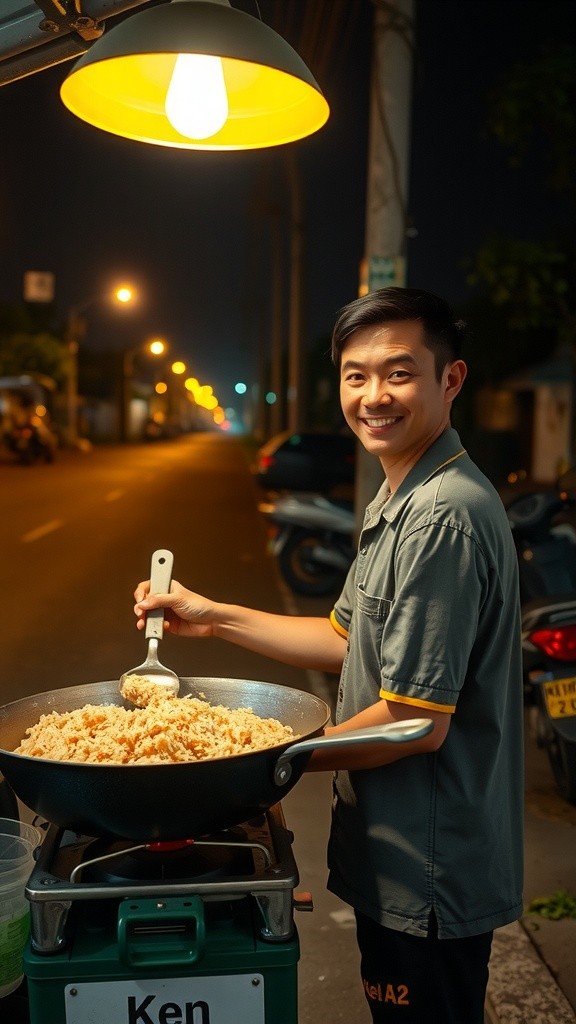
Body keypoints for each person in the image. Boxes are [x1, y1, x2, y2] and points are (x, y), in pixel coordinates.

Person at [133, 287, 524, 1023]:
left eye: (399, 373)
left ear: (451, 379)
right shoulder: (399, 494)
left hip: (428, 870)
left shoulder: (443, 516)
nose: (374, 395)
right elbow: (343, 640)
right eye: (356, 374)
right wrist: (209, 616)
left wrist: (254, 763)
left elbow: (413, 721)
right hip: (398, 858)